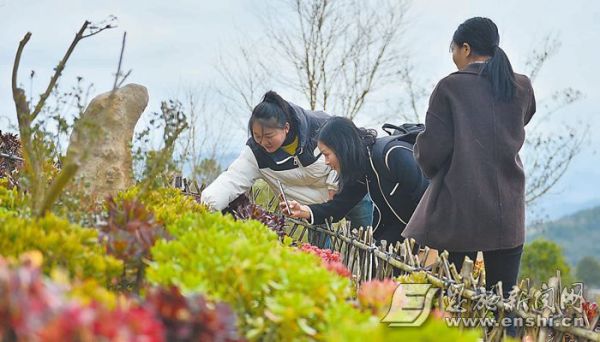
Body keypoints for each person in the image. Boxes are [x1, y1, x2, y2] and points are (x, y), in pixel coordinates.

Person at [402, 17, 536, 300]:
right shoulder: (521, 86)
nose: (453, 58)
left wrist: (426, 162)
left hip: (459, 212)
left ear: (465, 48)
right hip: (507, 212)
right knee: (504, 301)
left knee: (454, 297)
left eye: (453, 50)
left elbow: (431, 151)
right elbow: (523, 119)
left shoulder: (451, 87)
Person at [200, 91, 373, 244]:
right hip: (313, 208)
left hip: (348, 190)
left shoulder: (319, 127)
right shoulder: (255, 153)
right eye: (257, 136)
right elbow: (231, 179)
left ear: (286, 128)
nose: (263, 142)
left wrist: (334, 184)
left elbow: (344, 152)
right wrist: (207, 206)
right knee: (321, 257)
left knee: (366, 241)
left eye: (269, 136)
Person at [281, 116, 428, 248]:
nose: (325, 162)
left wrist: (430, 247)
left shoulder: (392, 155)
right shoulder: (362, 168)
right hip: (403, 232)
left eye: (327, 154)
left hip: (433, 233)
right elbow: (338, 207)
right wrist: (303, 210)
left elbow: (430, 200)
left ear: (342, 148)